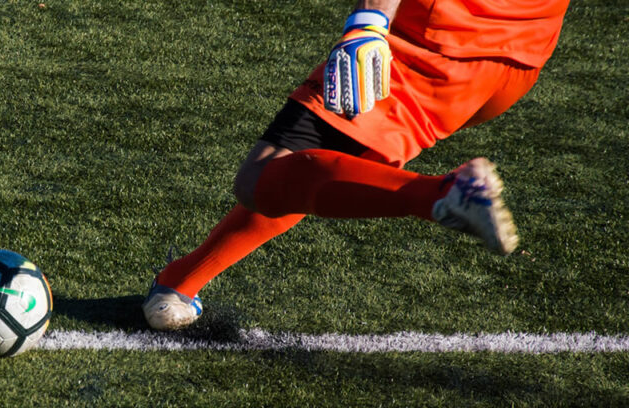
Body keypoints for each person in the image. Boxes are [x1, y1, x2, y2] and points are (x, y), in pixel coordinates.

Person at [143, 0, 571, 331]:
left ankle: (441, 194)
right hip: (518, 60)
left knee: (261, 177)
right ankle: (178, 284)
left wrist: (370, 20)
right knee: (328, 166)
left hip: (433, 39)